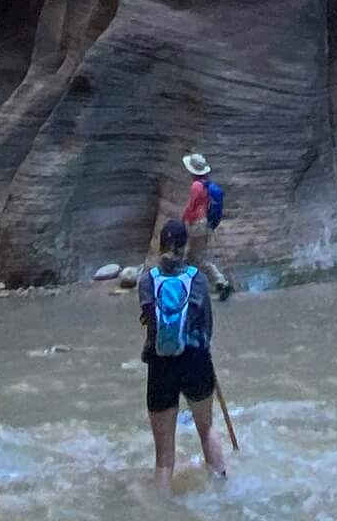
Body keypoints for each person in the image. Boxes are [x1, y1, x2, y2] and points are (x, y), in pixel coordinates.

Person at [140, 217, 227, 494]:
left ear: (160, 245)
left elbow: (150, 325)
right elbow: (207, 327)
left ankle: (161, 510)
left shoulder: (146, 281)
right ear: (185, 246)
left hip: (161, 364)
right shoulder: (198, 279)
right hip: (196, 361)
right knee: (207, 429)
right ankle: (224, 493)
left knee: (164, 458)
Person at [180, 152, 231, 297]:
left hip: (196, 224)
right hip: (204, 223)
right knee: (193, 257)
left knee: (196, 258)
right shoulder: (206, 184)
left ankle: (220, 282)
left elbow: (192, 206)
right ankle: (195, 286)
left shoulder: (196, 185)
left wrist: (183, 220)